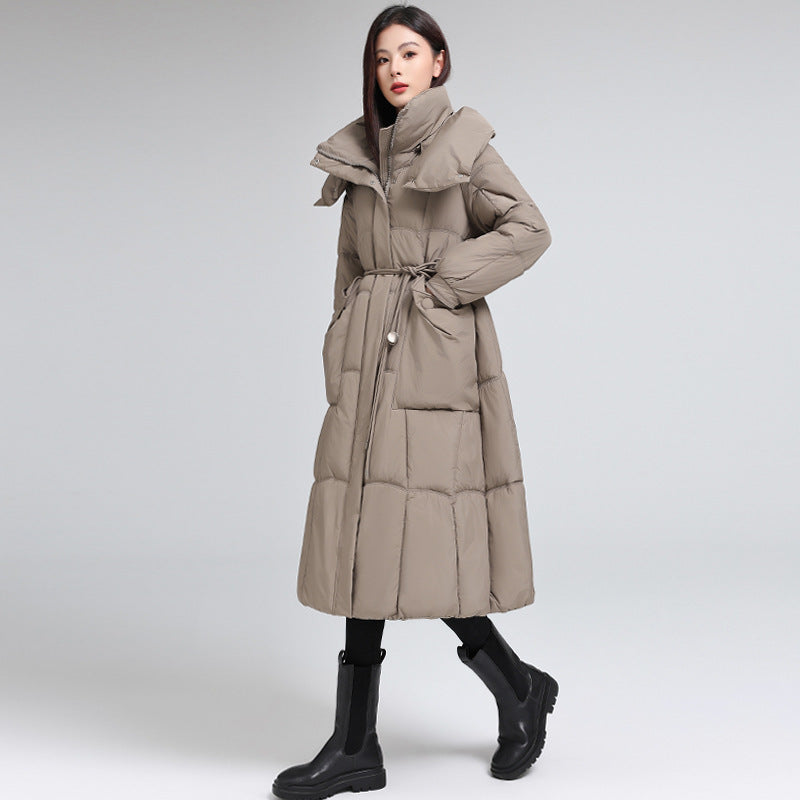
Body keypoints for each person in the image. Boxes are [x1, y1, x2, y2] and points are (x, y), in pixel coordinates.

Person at [272, 5, 557, 799]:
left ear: (439, 62)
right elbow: (350, 264)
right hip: (370, 361)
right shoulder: (362, 155)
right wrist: (342, 342)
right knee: (365, 539)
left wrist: (441, 287)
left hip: (433, 363)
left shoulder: (464, 146)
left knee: (426, 540)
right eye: (381, 58)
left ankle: (517, 688)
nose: (394, 69)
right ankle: (357, 744)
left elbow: (528, 229)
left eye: (408, 53)